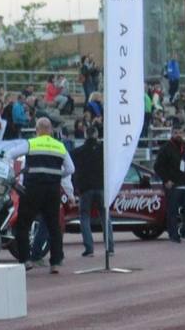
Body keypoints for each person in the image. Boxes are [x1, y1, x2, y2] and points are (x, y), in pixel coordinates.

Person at [9, 117, 74, 274]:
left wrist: (12, 174)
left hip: (32, 189)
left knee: (23, 224)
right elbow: (71, 169)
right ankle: (56, 262)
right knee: (54, 226)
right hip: (52, 191)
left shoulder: (31, 143)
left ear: (36, 130)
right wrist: (58, 175)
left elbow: (10, 154)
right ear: (51, 131)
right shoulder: (60, 146)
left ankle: (25, 260)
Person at [71, 125, 114, 258]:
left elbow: (72, 170)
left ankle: (89, 249)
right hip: (101, 187)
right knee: (105, 217)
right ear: (96, 135)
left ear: (85, 135)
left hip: (85, 189)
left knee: (84, 218)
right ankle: (110, 247)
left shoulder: (77, 152)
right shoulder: (104, 150)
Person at [153, 121, 185, 243]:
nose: (178, 135)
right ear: (171, 133)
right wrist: (166, 180)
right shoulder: (165, 148)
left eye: (180, 132)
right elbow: (157, 166)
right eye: (175, 133)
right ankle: (173, 235)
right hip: (174, 185)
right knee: (172, 211)